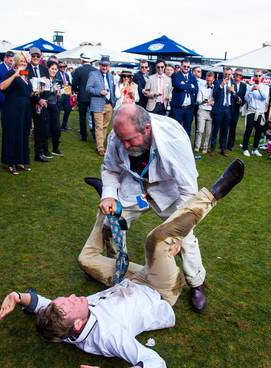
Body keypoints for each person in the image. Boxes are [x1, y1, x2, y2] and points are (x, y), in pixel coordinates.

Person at [0, 159, 244, 368]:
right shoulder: (109, 336)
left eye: (65, 299)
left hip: (130, 281)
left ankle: (105, 208)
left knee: (86, 258)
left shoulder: (66, 323)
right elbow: (156, 364)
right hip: (159, 290)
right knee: (155, 240)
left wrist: (19, 297)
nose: (73, 296)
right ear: (80, 325)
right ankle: (212, 196)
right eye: (72, 303)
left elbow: (43, 305)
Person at [78, 104, 210, 312]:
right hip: (135, 187)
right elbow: (110, 169)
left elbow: (188, 192)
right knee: (111, 221)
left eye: (130, 140)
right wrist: (110, 195)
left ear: (146, 129)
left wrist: (177, 235)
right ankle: (117, 268)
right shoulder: (119, 136)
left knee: (186, 240)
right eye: (122, 140)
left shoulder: (173, 140)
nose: (125, 145)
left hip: (170, 191)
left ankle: (196, 283)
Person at [0, 52, 32, 175]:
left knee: (23, 133)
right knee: (12, 134)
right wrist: (15, 75)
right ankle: (10, 163)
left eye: (25, 61)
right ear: (17, 62)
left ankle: (20, 161)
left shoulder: (25, 75)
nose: (23, 63)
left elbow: (26, 92)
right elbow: (2, 87)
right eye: (21, 61)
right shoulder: (11, 73)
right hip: (12, 108)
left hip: (24, 109)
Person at [86, 56, 116, 156]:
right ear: (100, 65)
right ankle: (100, 147)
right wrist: (99, 92)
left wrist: (113, 102)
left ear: (109, 66)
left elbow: (112, 90)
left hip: (109, 105)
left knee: (105, 126)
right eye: (103, 65)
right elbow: (88, 88)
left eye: (106, 65)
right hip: (97, 104)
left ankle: (100, 143)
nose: (105, 67)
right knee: (99, 126)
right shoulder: (93, 74)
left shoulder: (111, 76)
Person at [241, 70, 269, 157]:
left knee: (259, 131)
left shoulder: (265, 87)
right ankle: (245, 148)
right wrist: (251, 90)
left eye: (259, 75)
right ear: (254, 77)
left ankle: (255, 149)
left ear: (262, 77)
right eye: (256, 75)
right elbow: (246, 99)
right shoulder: (249, 87)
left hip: (260, 111)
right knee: (248, 129)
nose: (257, 77)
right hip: (251, 110)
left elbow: (264, 97)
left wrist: (259, 89)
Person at [72, 53, 98, 142]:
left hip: (82, 95)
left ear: (82, 60)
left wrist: (75, 90)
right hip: (93, 96)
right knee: (94, 116)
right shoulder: (95, 70)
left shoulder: (78, 70)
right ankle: (95, 135)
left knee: (82, 117)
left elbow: (74, 84)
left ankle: (84, 136)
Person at [209, 67, 234, 156]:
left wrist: (233, 92)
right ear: (223, 74)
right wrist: (221, 85)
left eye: (229, 74)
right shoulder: (217, 82)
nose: (227, 76)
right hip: (219, 108)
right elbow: (214, 94)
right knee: (215, 129)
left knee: (225, 130)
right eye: (226, 74)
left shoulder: (233, 83)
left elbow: (235, 97)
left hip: (228, 109)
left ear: (231, 75)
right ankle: (212, 149)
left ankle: (223, 149)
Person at [170, 60, 197, 136]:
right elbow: (177, 86)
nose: (186, 68)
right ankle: (175, 147)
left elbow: (196, 89)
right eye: (184, 66)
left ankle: (185, 147)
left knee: (187, 130)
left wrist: (184, 86)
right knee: (176, 129)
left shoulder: (192, 77)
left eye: (188, 67)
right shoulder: (175, 75)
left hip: (189, 108)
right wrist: (190, 86)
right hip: (178, 108)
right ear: (181, 66)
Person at [227, 68, 247, 151]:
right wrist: (237, 97)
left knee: (233, 127)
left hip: (236, 109)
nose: (238, 76)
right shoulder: (230, 83)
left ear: (242, 76)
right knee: (225, 127)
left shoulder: (244, 86)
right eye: (236, 74)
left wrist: (241, 102)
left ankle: (230, 145)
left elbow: (244, 98)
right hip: (228, 107)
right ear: (234, 75)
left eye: (240, 75)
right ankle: (223, 143)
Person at [194, 71, 215, 154]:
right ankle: (197, 146)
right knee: (200, 130)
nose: (209, 82)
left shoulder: (216, 88)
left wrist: (213, 102)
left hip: (211, 112)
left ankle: (205, 147)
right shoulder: (201, 87)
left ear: (213, 79)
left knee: (208, 131)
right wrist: (204, 101)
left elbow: (218, 100)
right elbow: (198, 100)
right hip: (202, 110)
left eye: (210, 80)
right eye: (207, 80)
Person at [56, 61, 72, 132]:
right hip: (59, 94)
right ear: (58, 67)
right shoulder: (56, 74)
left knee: (68, 109)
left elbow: (68, 84)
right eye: (60, 67)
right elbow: (55, 83)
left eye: (64, 66)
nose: (62, 68)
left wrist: (69, 89)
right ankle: (57, 125)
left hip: (66, 94)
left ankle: (64, 125)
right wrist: (61, 86)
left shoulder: (67, 75)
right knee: (58, 110)